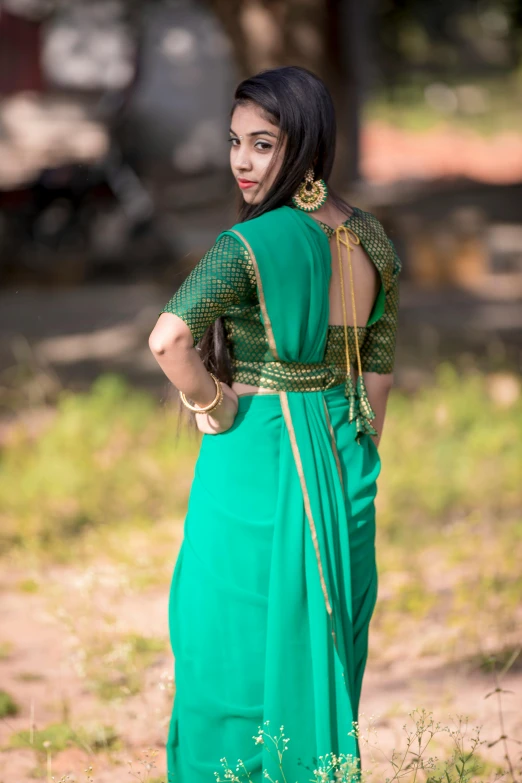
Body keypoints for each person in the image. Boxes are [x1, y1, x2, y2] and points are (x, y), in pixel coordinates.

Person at [149, 65, 401, 783]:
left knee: (224, 649)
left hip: (253, 456)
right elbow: (375, 377)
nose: (242, 161)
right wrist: (347, 462)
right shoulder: (372, 240)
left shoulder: (245, 247)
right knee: (316, 646)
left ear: (306, 144)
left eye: (263, 144)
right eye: (235, 142)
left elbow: (168, 339)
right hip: (342, 459)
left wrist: (213, 405)